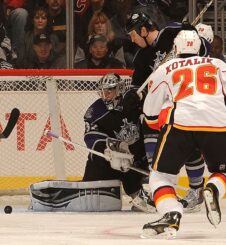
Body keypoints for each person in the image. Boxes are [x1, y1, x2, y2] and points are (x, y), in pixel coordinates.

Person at [141, 29, 226, 239]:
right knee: (223, 171)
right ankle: (213, 189)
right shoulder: (220, 65)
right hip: (218, 124)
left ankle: (171, 214)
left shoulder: (165, 68)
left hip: (180, 124)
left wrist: (160, 118)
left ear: (176, 48)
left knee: (160, 176)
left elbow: (150, 117)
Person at [125, 12, 211, 212]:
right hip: (161, 107)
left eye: (133, 34)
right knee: (152, 145)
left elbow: (205, 50)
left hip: (185, 102)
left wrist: (193, 36)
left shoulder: (173, 31)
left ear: (143, 30)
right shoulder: (141, 57)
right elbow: (137, 87)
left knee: (190, 148)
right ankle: (164, 194)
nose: (132, 39)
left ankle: (196, 192)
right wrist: (132, 96)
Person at [82, 73, 154, 212]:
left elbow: (153, 102)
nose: (106, 94)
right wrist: (108, 149)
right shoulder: (95, 110)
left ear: (119, 88)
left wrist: (141, 97)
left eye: (110, 89)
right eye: (103, 90)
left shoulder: (130, 101)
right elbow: (91, 137)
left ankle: (142, 192)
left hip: (137, 159)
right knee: (94, 165)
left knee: (145, 203)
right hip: (112, 159)